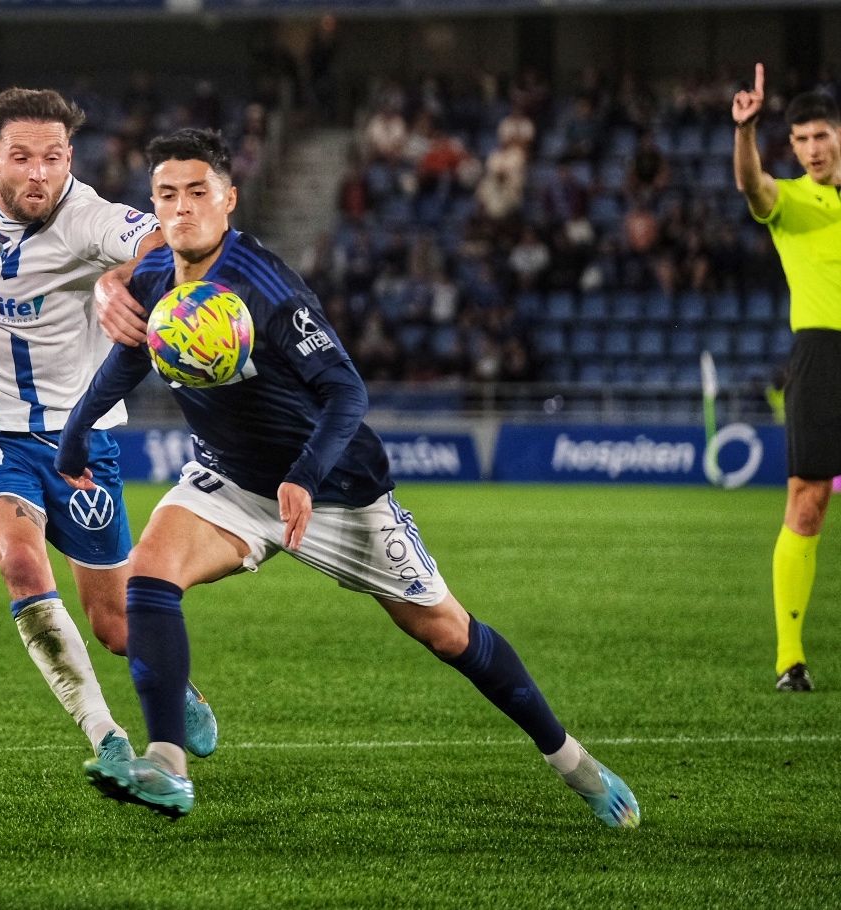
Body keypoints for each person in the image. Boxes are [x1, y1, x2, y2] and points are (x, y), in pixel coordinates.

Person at [56, 128, 640, 827]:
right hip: (234, 483)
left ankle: (573, 761)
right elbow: (132, 357)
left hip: (336, 489)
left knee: (446, 632)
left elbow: (346, 394)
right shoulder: (154, 278)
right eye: (167, 195)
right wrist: (74, 436)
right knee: (149, 576)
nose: (182, 209)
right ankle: (168, 766)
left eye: (198, 193)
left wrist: (304, 477)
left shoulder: (267, 288)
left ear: (229, 199)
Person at [0, 87, 218, 771]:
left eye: (52, 157)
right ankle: (108, 739)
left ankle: (174, 682)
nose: (37, 172)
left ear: (69, 156)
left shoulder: (90, 218)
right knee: (17, 556)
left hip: (76, 441)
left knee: (115, 624)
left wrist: (117, 282)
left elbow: (161, 242)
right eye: (21, 157)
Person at [732, 64, 841, 692]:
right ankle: (790, 659)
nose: (811, 150)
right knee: (808, 502)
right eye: (799, 140)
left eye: (820, 136)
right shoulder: (791, 200)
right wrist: (745, 132)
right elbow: (753, 185)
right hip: (821, 356)